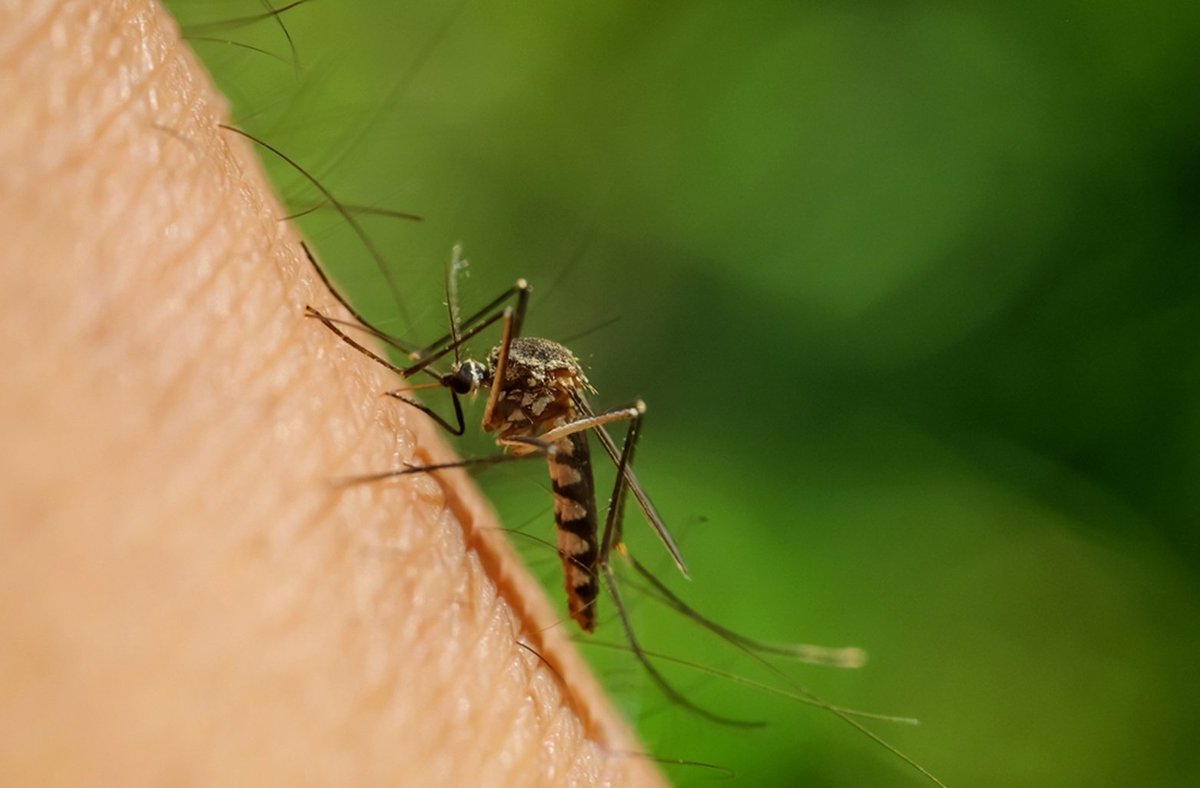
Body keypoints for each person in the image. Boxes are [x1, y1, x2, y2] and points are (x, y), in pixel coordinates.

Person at [0, 0, 661, 784]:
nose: (462, 385)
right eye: (468, 373)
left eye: (466, 374)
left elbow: (557, 406)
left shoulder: (523, 384)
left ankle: (605, 559)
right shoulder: (498, 371)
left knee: (601, 413)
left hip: (573, 475)